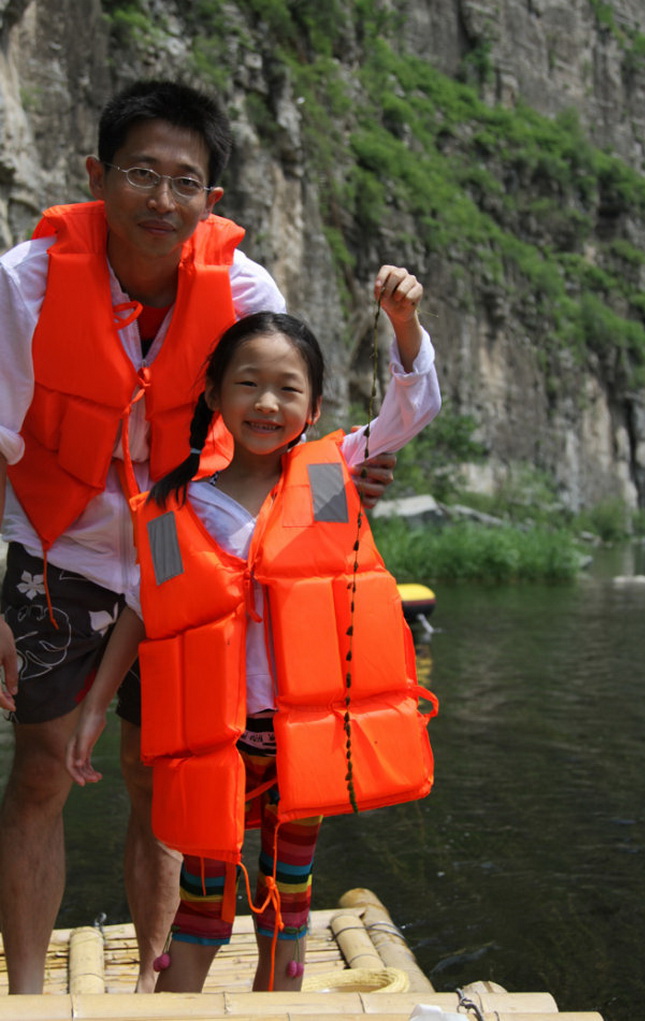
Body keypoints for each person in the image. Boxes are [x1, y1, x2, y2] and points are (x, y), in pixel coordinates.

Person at [0, 78, 394, 995]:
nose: (161, 198)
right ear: (97, 176)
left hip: (186, 559)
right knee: (42, 772)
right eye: (141, 173)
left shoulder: (245, 290)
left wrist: (342, 482)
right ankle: (23, 996)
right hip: (60, 551)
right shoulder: (24, 283)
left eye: (185, 181)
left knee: (167, 773)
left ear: (211, 199)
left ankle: (156, 989)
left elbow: (280, 431)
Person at [65, 277, 440, 994]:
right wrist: (93, 709)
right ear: (214, 394)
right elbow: (147, 610)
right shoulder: (176, 508)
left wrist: (404, 323)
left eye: (288, 389)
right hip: (217, 743)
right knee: (202, 908)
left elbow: (412, 409)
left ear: (314, 408)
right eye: (248, 384)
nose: (268, 403)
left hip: (308, 740)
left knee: (287, 900)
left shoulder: (327, 480)